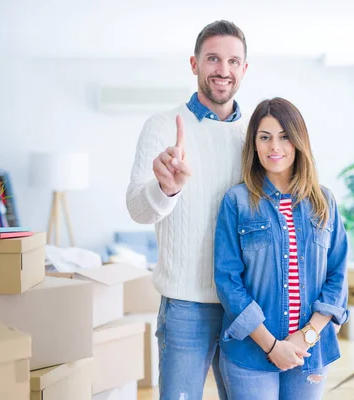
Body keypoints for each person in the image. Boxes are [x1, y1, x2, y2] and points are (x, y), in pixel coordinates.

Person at [126, 20, 248, 400]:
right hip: (185, 306)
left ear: (244, 69)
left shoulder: (256, 136)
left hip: (244, 306)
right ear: (194, 64)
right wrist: (166, 188)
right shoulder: (163, 126)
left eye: (232, 61)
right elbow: (137, 210)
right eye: (213, 59)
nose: (222, 70)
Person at [213, 97, 349, 399]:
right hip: (250, 354)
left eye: (285, 136)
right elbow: (228, 281)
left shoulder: (324, 201)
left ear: (298, 141)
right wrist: (273, 346)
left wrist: (307, 336)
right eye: (265, 137)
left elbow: (338, 273)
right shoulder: (236, 202)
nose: (275, 147)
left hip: (310, 353)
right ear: (254, 144)